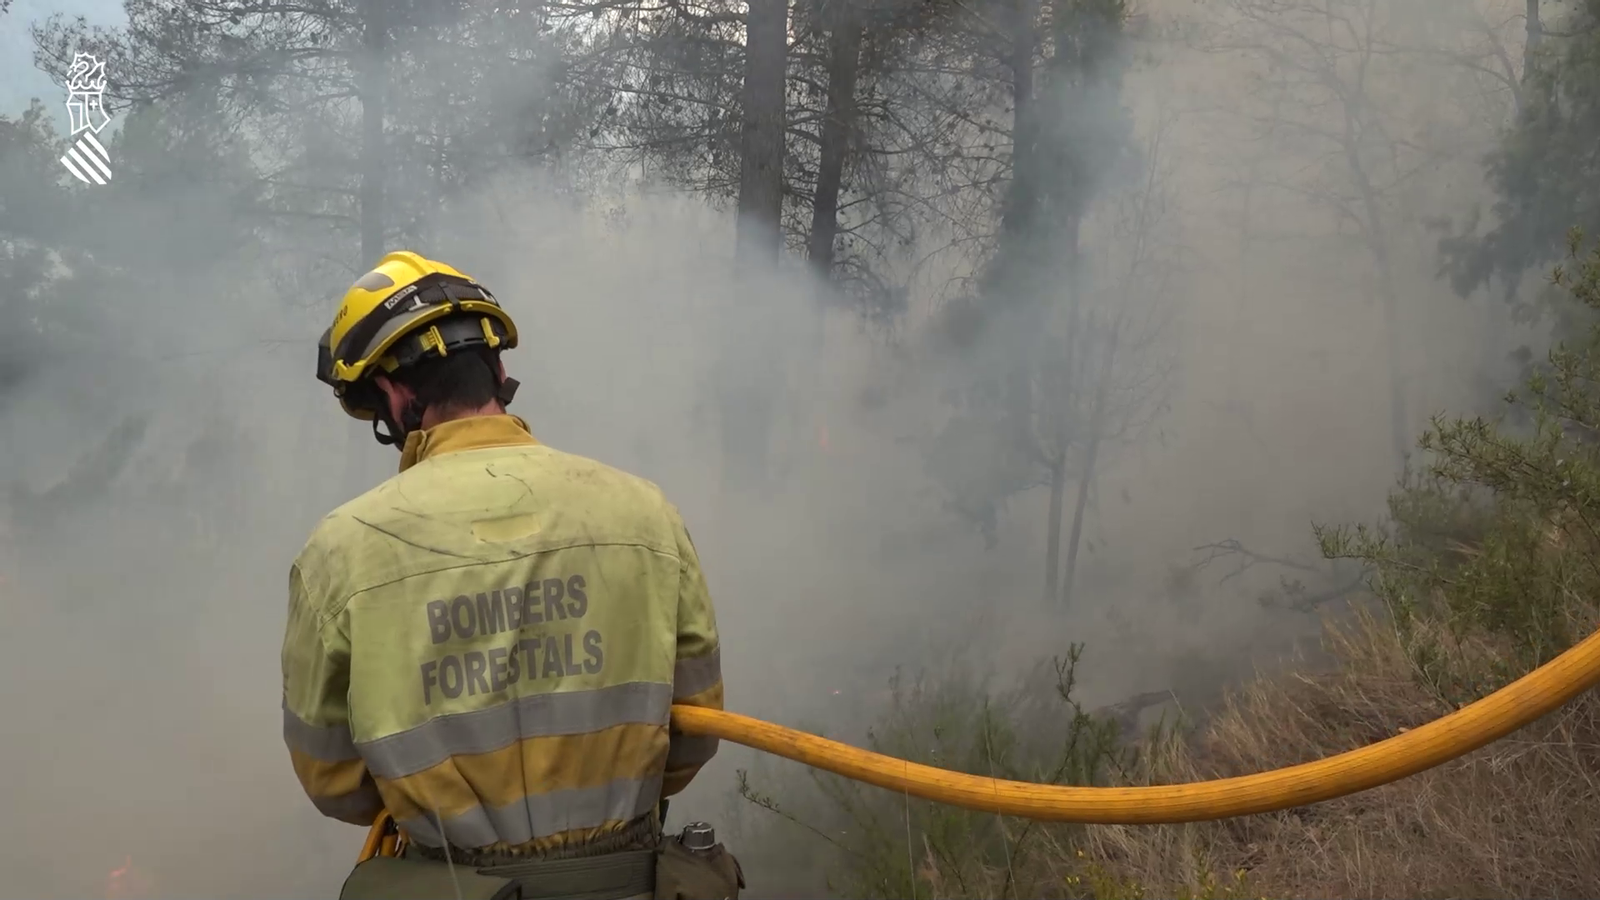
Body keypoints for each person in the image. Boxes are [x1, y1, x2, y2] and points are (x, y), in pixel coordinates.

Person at [281, 251, 732, 900]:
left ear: (396, 393)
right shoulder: (644, 514)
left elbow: (332, 777)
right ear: (498, 368)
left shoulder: (342, 550)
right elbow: (694, 730)